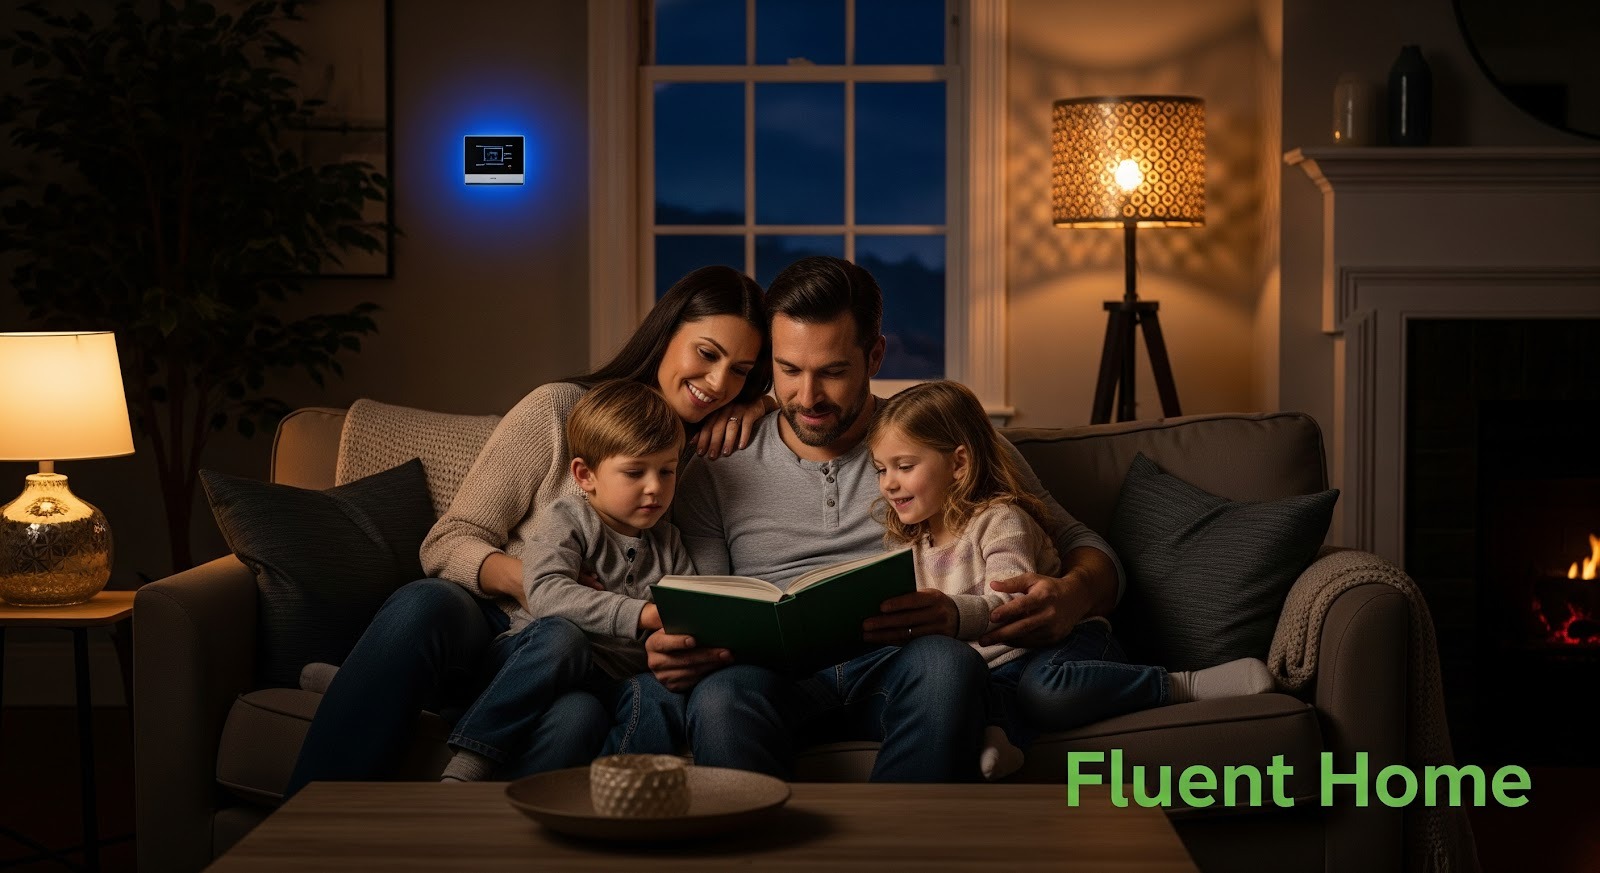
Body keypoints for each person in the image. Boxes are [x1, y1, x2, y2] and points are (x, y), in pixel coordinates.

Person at [284, 265, 771, 795]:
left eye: (741, 371)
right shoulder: (557, 410)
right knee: (427, 601)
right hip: (499, 630)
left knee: (575, 716)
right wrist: (542, 583)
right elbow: (449, 541)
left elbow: (705, 595)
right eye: (707, 353)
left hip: (590, 666)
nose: (720, 383)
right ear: (666, 336)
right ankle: (307, 819)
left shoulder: (707, 460)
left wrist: (765, 404)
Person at [647, 255, 1127, 782]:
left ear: (874, 355)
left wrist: (1074, 594)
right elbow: (712, 599)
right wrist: (685, 647)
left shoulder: (941, 443)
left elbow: (1085, 544)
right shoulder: (717, 464)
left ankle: (899, 849)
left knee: (948, 664)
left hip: (899, 667)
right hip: (772, 682)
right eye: (788, 371)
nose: (807, 398)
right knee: (719, 695)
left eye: (832, 372)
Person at [866, 380, 1275, 781]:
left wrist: (952, 614)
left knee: (1047, 691)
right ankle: (1000, 735)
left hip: (1064, 643)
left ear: (959, 463)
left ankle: (1178, 685)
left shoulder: (1000, 521)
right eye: (881, 469)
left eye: (904, 467)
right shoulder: (912, 542)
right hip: (997, 667)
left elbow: (1012, 605)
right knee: (968, 692)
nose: (889, 483)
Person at [441, 380, 696, 781]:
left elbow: (683, 611)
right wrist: (643, 615)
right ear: (585, 474)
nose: (655, 488)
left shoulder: (670, 542)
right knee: (563, 635)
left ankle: (620, 789)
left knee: (660, 692)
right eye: (635, 472)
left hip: (609, 681)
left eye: (667, 471)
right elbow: (546, 594)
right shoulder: (567, 519)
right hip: (537, 660)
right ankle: (472, 757)